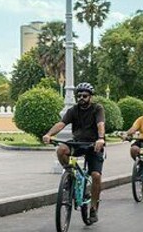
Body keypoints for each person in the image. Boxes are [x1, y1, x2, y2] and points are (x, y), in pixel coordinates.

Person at [42, 82, 106, 223]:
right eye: (79, 96)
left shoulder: (97, 108)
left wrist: (100, 139)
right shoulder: (73, 110)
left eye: (85, 96)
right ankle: (71, 176)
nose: (81, 98)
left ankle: (94, 208)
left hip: (94, 145)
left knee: (95, 175)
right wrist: (49, 134)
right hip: (78, 142)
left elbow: (100, 124)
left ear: (90, 97)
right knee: (61, 150)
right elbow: (61, 124)